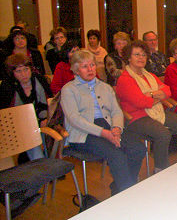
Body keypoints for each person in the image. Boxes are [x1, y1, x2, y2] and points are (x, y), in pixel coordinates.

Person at [61, 50, 146, 194]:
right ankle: (127, 193)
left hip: (108, 126)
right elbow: (74, 119)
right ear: (76, 70)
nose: (90, 69)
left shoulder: (105, 87)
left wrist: (117, 128)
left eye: (92, 65)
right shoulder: (69, 90)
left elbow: (116, 111)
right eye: (84, 66)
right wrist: (104, 133)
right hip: (83, 133)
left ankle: (121, 188)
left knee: (138, 148)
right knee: (117, 155)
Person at [116, 40, 177, 172]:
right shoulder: (125, 79)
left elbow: (167, 91)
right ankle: (160, 169)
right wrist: (156, 95)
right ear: (129, 57)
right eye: (137, 55)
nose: (141, 58)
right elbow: (141, 102)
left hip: (156, 112)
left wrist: (150, 95)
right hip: (136, 117)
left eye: (144, 55)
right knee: (163, 134)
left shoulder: (149, 75)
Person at [0, 53, 52, 160]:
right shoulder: (7, 86)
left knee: (51, 133)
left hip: (41, 120)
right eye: (18, 71)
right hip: (17, 125)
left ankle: (50, 162)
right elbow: (6, 113)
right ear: (12, 72)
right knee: (33, 140)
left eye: (26, 69)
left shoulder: (39, 80)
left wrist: (45, 118)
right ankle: (40, 163)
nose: (24, 74)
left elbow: (49, 102)